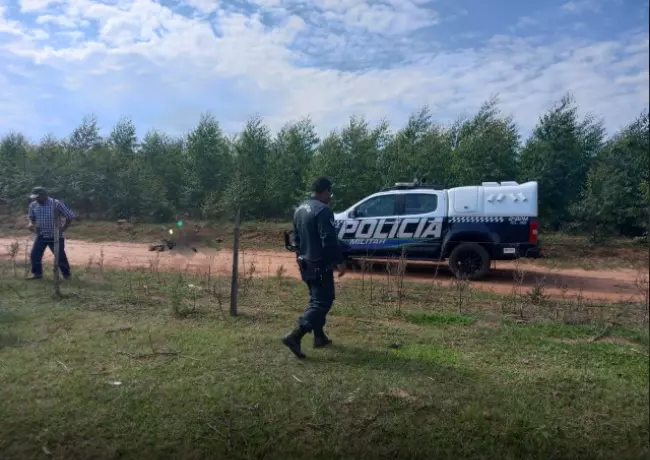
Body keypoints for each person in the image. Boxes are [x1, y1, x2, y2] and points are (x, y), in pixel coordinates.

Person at [282, 177, 346, 359]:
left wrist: (301, 260)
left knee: (315, 300)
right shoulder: (323, 211)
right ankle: (296, 335)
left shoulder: (299, 209)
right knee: (323, 302)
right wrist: (339, 261)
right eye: (330, 193)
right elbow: (329, 240)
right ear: (324, 191)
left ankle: (319, 337)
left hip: (304, 262)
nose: (330, 197)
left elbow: (296, 241)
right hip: (319, 263)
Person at [27, 187, 76, 280]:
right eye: (35, 198)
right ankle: (37, 274)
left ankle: (67, 275)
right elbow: (31, 217)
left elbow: (69, 216)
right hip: (41, 235)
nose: (36, 199)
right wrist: (30, 224)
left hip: (56, 236)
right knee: (35, 255)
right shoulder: (33, 205)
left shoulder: (56, 203)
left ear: (44, 195)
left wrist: (63, 229)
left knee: (60, 256)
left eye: (38, 197)